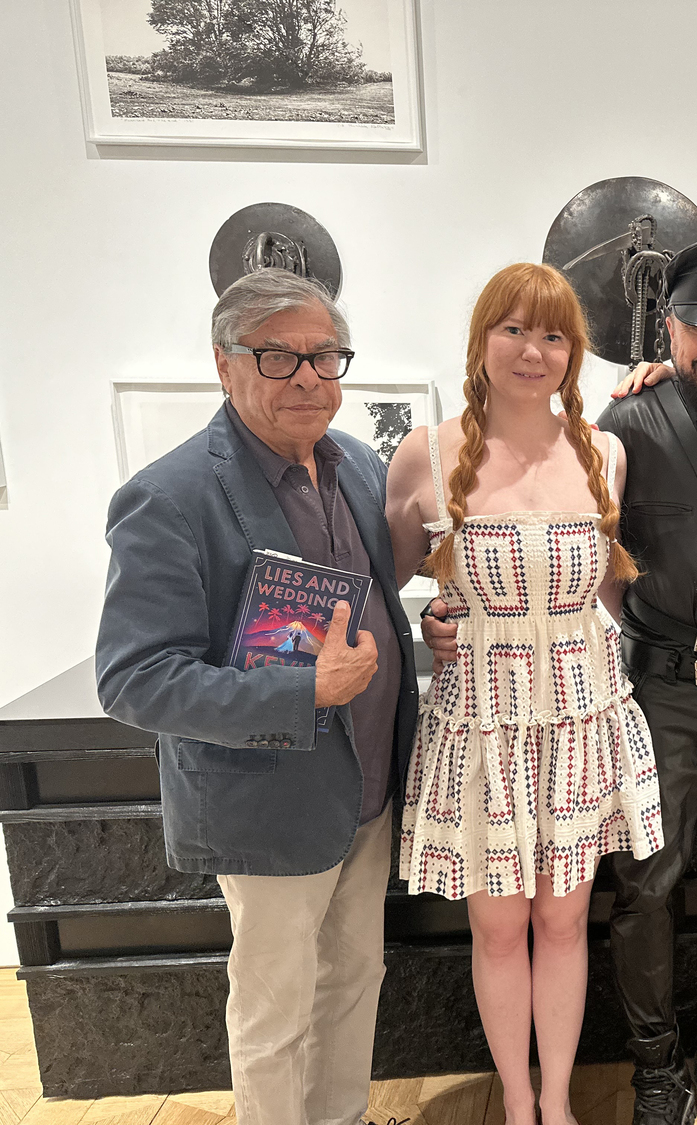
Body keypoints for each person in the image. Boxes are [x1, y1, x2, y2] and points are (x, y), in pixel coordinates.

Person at [95, 267, 418, 1125]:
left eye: (325, 357)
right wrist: (300, 689)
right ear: (223, 363)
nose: (309, 377)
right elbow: (131, 678)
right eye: (277, 356)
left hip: (371, 787)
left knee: (355, 978)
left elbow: (374, 598)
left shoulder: (354, 464)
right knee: (276, 1009)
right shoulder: (170, 497)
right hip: (269, 802)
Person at [386, 263, 662, 1125]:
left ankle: (560, 1098)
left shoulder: (605, 450)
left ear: (573, 352)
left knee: (566, 922)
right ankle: (516, 1101)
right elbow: (373, 586)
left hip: (581, 719)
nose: (532, 350)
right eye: (513, 329)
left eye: (552, 334)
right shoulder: (425, 453)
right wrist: (427, 623)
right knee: (500, 929)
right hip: (482, 726)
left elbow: (611, 593)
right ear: (481, 340)